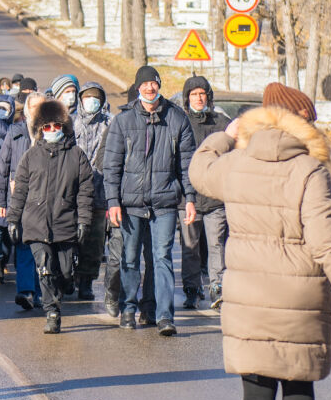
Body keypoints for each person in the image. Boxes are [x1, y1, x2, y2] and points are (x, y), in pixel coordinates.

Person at [188, 82, 331, 400]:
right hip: (300, 296)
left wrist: (224, 135)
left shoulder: (236, 163)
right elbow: (326, 235)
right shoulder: (308, 170)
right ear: (302, 125)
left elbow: (199, 173)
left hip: (248, 298)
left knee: (256, 386)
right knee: (298, 383)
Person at [103, 65, 197, 336]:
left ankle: (165, 316)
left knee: (162, 257)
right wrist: (112, 202)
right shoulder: (122, 121)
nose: (149, 88)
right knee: (130, 258)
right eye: (144, 84)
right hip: (130, 204)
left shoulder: (177, 119)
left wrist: (189, 198)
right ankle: (129, 308)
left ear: (159, 85)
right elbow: (112, 166)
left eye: (153, 83)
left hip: (165, 203)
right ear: (138, 88)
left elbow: (187, 163)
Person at [8, 98, 95, 334]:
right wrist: (13, 219)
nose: (52, 130)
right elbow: (20, 192)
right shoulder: (30, 157)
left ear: (64, 127)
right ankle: (52, 312)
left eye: (56, 126)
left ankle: (65, 286)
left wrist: (84, 221)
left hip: (65, 223)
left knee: (65, 272)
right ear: (39, 129)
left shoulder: (77, 155)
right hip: (36, 223)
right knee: (45, 268)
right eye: (47, 127)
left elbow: (86, 192)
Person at [0, 92, 45, 307]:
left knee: (42, 246)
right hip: (19, 198)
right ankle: (26, 291)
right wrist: (0, 202)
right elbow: (2, 168)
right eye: (34, 107)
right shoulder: (15, 133)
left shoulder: (52, 132)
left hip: (44, 200)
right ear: (27, 110)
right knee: (23, 244)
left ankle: (42, 291)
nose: (37, 112)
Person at [181, 75, 227, 309]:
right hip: (187, 199)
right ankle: (191, 288)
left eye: (202, 94)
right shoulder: (180, 122)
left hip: (215, 198)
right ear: (187, 99)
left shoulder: (221, 123)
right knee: (190, 247)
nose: (199, 98)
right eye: (194, 94)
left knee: (216, 244)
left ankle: (217, 287)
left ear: (208, 97)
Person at [72, 82, 111, 303]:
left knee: (94, 241)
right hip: (74, 193)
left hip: (100, 192)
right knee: (71, 236)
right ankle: (69, 276)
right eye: (88, 97)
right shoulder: (71, 124)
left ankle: (86, 280)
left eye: (96, 98)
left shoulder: (110, 123)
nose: (92, 101)